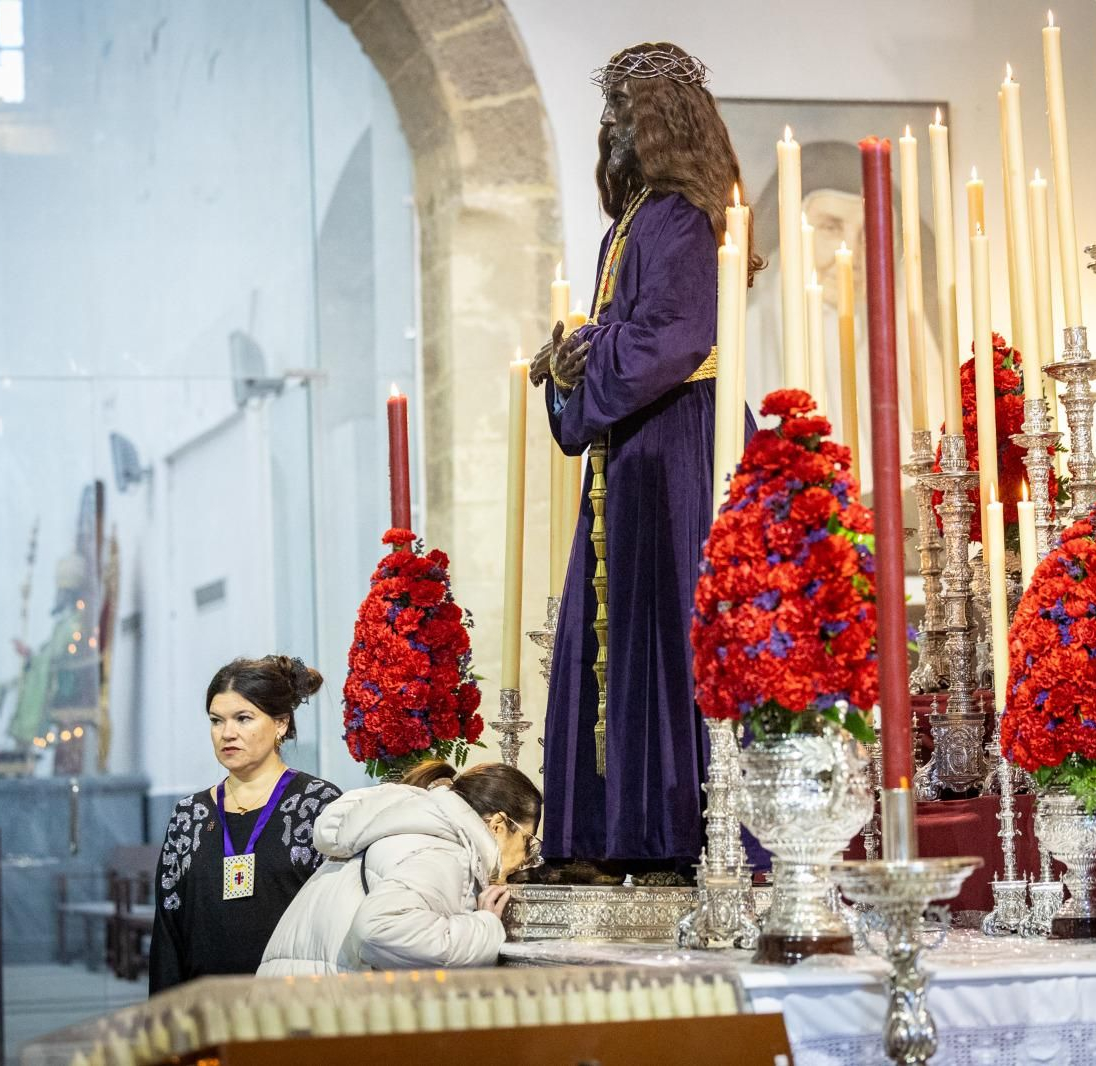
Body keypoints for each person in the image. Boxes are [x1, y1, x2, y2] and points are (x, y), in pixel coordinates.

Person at [527, 42, 758, 874]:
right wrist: (572, 364)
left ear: (662, 125)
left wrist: (592, 352)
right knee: (622, 629)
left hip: (676, 446)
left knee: (669, 625)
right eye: (609, 114)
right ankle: (612, 830)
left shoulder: (684, 217)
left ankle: (674, 831)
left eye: (625, 113)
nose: (612, 128)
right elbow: (624, 342)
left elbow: (674, 336)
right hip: (631, 448)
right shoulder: (632, 221)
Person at [149, 656, 340, 993]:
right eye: (216, 720)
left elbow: (335, 922)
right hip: (203, 1012)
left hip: (291, 1010)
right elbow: (168, 931)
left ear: (280, 723)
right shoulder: (190, 815)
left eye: (243, 718)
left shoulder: (316, 804)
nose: (227, 733)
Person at [257, 760, 542, 974]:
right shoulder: (441, 849)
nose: (526, 858)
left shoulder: (417, 827)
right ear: (499, 825)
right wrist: (485, 927)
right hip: (316, 1021)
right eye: (528, 840)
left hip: (294, 1007)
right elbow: (380, 930)